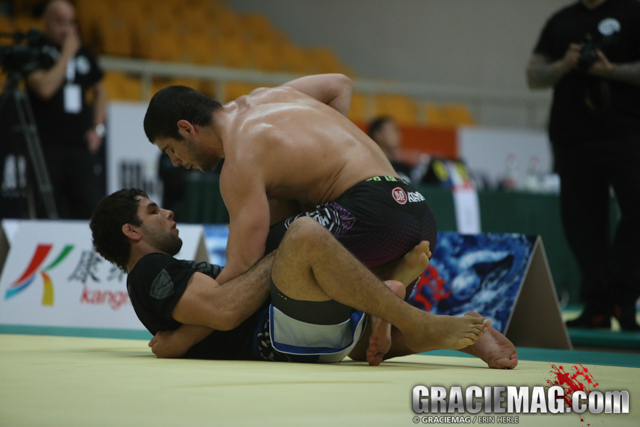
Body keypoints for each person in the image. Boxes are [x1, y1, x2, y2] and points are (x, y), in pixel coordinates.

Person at [89, 188, 518, 368]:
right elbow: (224, 310)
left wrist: (183, 338)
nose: (168, 213)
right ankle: (406, 309)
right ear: (131, 232)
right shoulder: (147, 271)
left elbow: (216, 309)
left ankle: (435, 327)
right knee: (305, 233)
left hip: (298, 331)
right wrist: (282, 250)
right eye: (152, 212)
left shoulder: (165, 274)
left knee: (364, 332)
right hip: (276, 335)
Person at [142, 75, 438, 303]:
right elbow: (339, 84)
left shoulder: (240, 159)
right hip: (417, 210)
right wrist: (325, 148)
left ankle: (382, 282)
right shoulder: (268, 97)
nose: (176, 163)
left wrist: (196, 304)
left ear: (186, 128)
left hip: (377, 216)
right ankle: (386, 289)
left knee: (271, 256)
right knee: (358, 344)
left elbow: (244, 264)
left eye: (171, 150)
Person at [527, 0, 640, 331]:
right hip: (573, 136)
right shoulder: (562, 21)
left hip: (628, 133)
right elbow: (534, 75)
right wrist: (564, 64)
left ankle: (624, 297)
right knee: (582, 223)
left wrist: (611, 71)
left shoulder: (633, 12)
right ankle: (598, 305)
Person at [26, 0, 106, 219]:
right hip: (46, 146)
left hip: (80, 147)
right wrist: (67, 55)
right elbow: (44, 88)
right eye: (60, 22)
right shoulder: (35, 50)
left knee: (91, 209)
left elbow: (100, 91)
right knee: (46, 210)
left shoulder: (85, 53)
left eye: (71, 23)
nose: (67, 29)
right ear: (46, 21)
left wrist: (98, 129)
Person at [368, 116, 415, 183]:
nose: (398, 135)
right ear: (378, 135)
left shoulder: (404, 169)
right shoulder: (368, 167)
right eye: (394, 130)